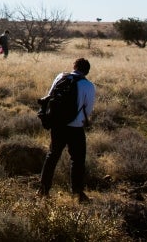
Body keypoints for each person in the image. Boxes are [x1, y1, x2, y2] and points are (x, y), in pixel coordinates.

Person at [39, 58, 96, 202]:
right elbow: (88, 109)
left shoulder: (61, 77)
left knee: (52, 156)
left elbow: (50, 96)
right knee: (77, 159)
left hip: (57, 125)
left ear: (74, 66)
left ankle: (43, 190)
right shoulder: (88, 86)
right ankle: (77, 193)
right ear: (87, 71)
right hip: (76, 127)